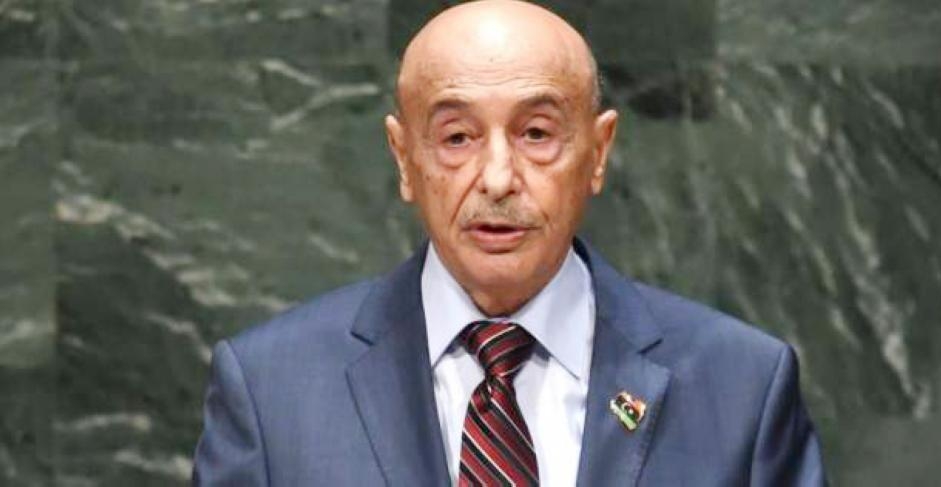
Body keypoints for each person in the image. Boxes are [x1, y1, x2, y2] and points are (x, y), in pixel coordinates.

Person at [192, 0, 826, 485]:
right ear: (404, 158)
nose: (497, 178)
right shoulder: (272, 389)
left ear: (598, 152)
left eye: (537, 133)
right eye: (457, 137)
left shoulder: (741, 385)